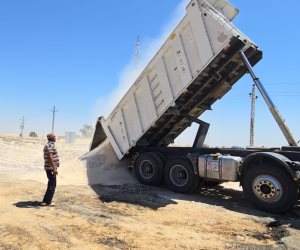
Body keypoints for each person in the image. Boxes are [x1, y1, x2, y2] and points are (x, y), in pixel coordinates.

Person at [40, 133, 59, 206]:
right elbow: (50, 157)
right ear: (51, 138)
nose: (55, 137)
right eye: (54, 136)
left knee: (50, 184)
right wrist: (54, 168)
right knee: (53, 184)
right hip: (50, 168)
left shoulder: (50, 144)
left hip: (49, 168)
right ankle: (48, 202)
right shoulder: (50, 145)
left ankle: (46, 200)